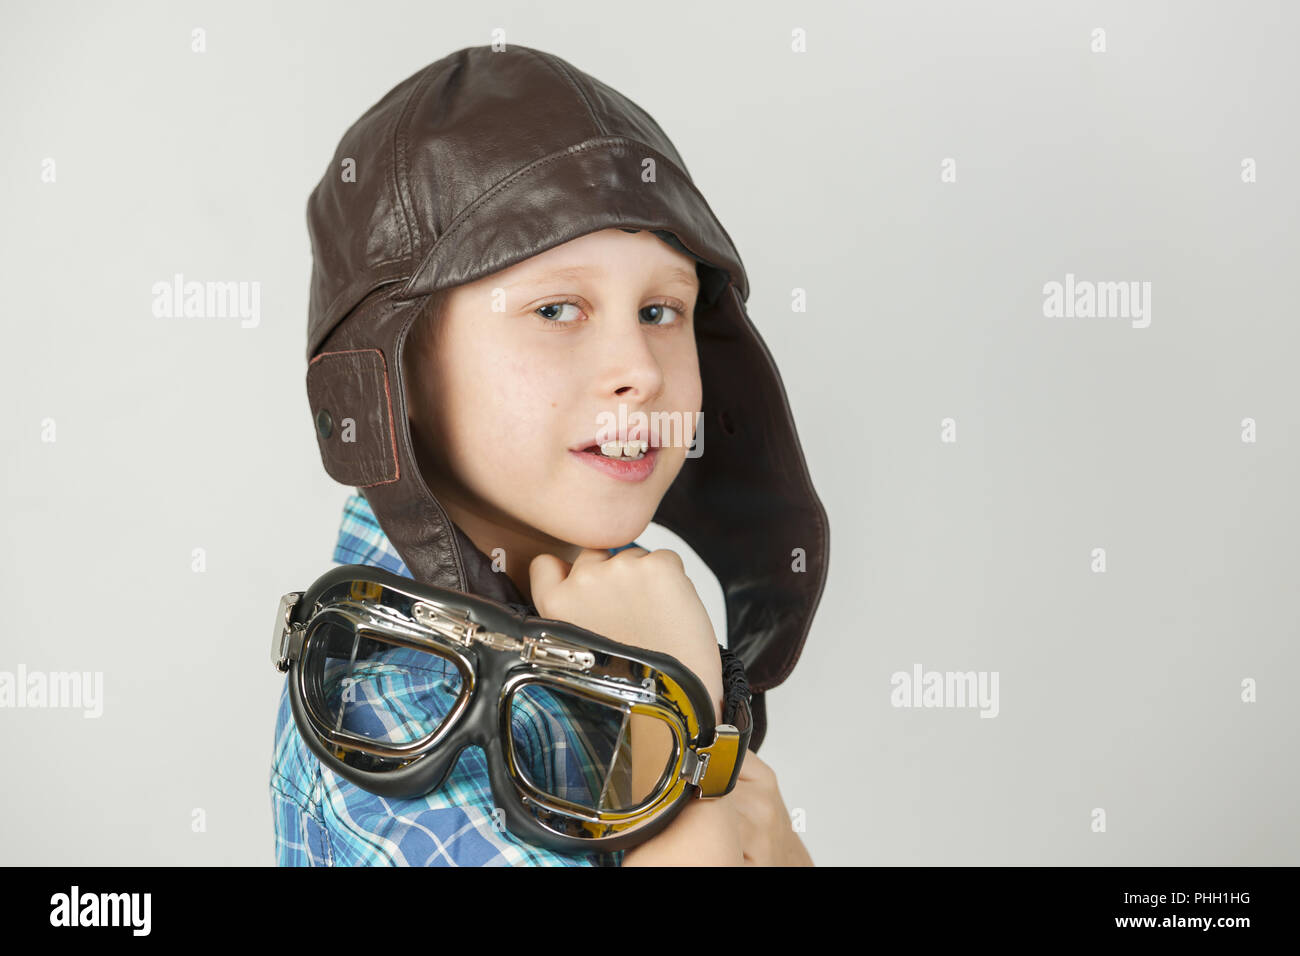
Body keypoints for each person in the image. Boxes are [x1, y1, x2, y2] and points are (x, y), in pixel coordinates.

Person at [271, 43, 829, 866]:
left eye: (660, 310)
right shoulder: (389, 722)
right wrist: (673, 703)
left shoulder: (617, 604)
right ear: (396, 375)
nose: (637, 371)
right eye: (558, 309)